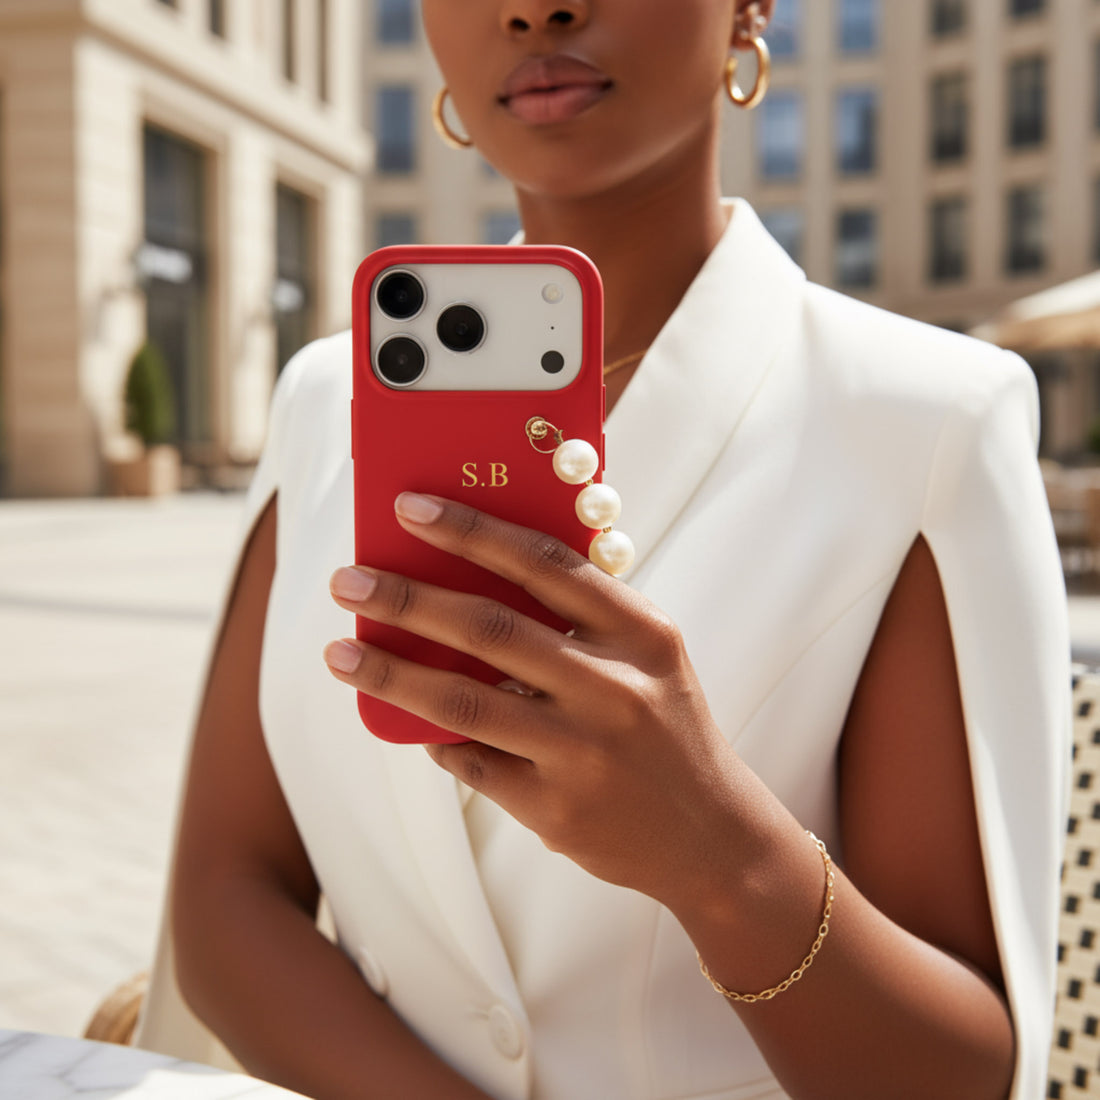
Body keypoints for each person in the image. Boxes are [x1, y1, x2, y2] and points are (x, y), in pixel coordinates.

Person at [142, 2, 1070, 1098]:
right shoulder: (322, 403)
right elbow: (224, 893)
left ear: (748, 11)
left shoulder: (926, 421)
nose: (535, 8)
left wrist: (718, 857)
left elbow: (961, 1072)